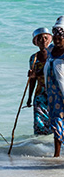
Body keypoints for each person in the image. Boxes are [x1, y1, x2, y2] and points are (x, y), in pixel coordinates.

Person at [44, 19, 64, 157]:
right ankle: (56, 155)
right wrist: (35, 74)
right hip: (52, 95)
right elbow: (49, 68)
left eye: (60, 39)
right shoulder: (50, 50)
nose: (56, 41)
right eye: (55, 38)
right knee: (56, 123)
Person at [27, 27, 53, 136]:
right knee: (39, 124)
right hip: (40, 95)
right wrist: (29, 97)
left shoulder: (54, 55)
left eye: (45, 38)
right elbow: (32, 80)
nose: (43, 41)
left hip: (54, 93)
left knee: (56, 122)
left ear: (50, 40)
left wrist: (36, 74)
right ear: (36, 42)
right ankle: (39, 146)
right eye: (40, 39)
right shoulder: (34, 58)